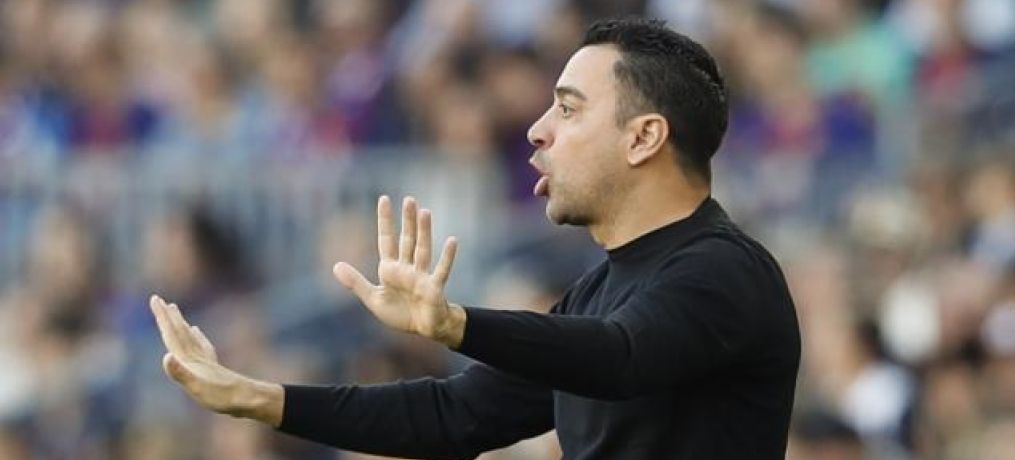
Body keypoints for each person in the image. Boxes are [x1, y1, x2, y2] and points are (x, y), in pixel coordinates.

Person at [150, 18, 801, 459]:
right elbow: (453, 413)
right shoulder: (598, 290)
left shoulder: (724, 270)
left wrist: (455, 324)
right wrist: (255, 397)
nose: (537, 130)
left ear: (643, 137)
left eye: (569, 109)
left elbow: (618, 358)